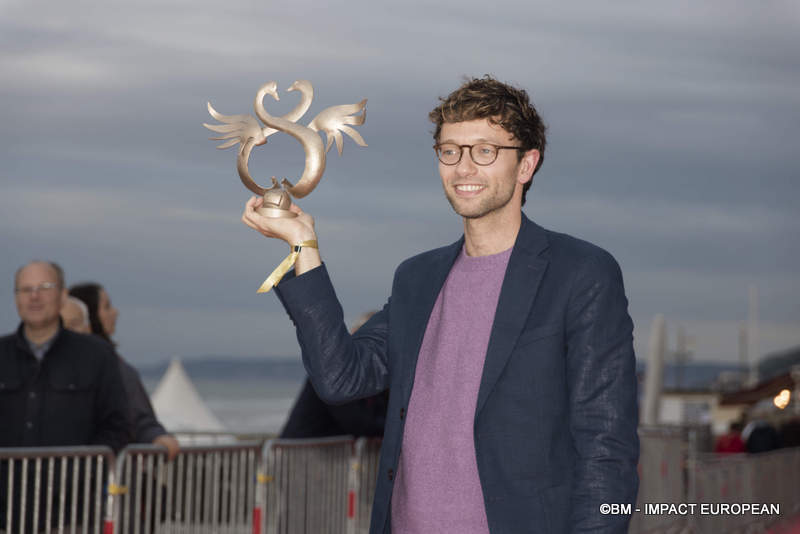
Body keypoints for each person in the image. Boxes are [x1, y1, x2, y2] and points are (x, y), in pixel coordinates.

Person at [242, 76, 639, 533]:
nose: (463, 167)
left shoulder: (580, 273)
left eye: (485, 150)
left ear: (526, 164)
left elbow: (605, 447)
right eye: (450, 151)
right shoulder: (417, 278)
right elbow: (341, 377)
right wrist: (303, 246)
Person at [1, 261, 129, 531]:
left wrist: (81, 474)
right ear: (15, 299)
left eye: (44, 288)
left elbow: (117, 426)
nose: (34, 296)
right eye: (25, 290)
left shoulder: (96, 356)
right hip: (5, 515)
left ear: (62, 296)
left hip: (73, 517)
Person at [69, 282, 180, 460]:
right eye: (106, 307)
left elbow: (139, 420)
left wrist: (157, 437)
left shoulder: (115, 367)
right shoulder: (114, 368)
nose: (115, 312)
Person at [280, 311, 389, 439]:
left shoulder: (372, 377)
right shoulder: (333, 373)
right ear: (352, 336)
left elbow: (382, 416)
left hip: (327, 453)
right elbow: (358, 424)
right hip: (299, 453)